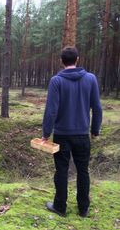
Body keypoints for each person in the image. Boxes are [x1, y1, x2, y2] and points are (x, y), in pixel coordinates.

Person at [42, 46, 102, 218]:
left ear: (61, 61)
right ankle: (83, 208)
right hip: (83, 134)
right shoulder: (91, 79)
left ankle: (60, 207)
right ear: (77, 59)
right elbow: (97, 107)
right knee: (83, 170)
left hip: (61, 135)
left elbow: (51, 110)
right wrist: (95, 130)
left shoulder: (56, 81)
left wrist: (46, 134)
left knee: (61, 170)